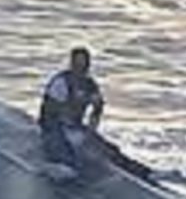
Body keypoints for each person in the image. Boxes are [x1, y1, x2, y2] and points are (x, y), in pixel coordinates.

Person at [38, 47, 155, 182]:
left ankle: (144, 173)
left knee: (110, 150)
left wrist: (91, 131)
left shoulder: (90, 85)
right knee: (62, 150)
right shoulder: (61, 82)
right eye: (78, 64)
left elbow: (97, 108)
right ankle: (59, 167)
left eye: (84, 64)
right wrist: (56, 129)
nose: (81, 68)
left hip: (76, 127)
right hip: (54, 127)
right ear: (72, 64)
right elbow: (48, 111)